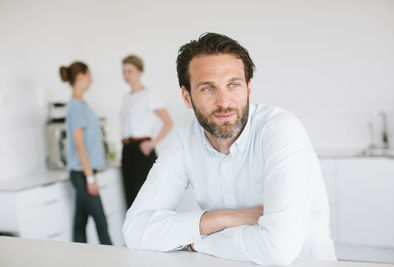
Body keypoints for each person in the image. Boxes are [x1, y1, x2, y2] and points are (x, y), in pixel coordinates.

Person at [123, 33, 336, 265]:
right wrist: (226, 218)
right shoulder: (184, 141)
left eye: (233, 85)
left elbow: (278, 249)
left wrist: (196, 243)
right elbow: (135, 230)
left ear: (249, 89)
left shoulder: (280, 129)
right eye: (208, 88)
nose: (224, 101)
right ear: (187, 96)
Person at [61, 62, 112, 245]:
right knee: (101, 221)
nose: (92, 79)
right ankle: (113, 258)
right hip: (82, 174)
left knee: (80, 222)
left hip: (83, 172)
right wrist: (90, 178)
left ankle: (78, 258)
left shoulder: (81, 104)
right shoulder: (75, 106)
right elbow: (79, 144)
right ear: (81, 77)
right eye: (89, 75)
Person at [120, 55, 173, 209]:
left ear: (139, 71)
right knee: (130, 199)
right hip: (127, 150)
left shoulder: (149, 95)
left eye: (130, 71)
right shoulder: (126, 98)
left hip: (142, 150)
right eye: (124, 71)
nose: (126, 75)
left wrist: (152, 143)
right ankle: (135, 233)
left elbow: (168, 123)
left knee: (145, 199)